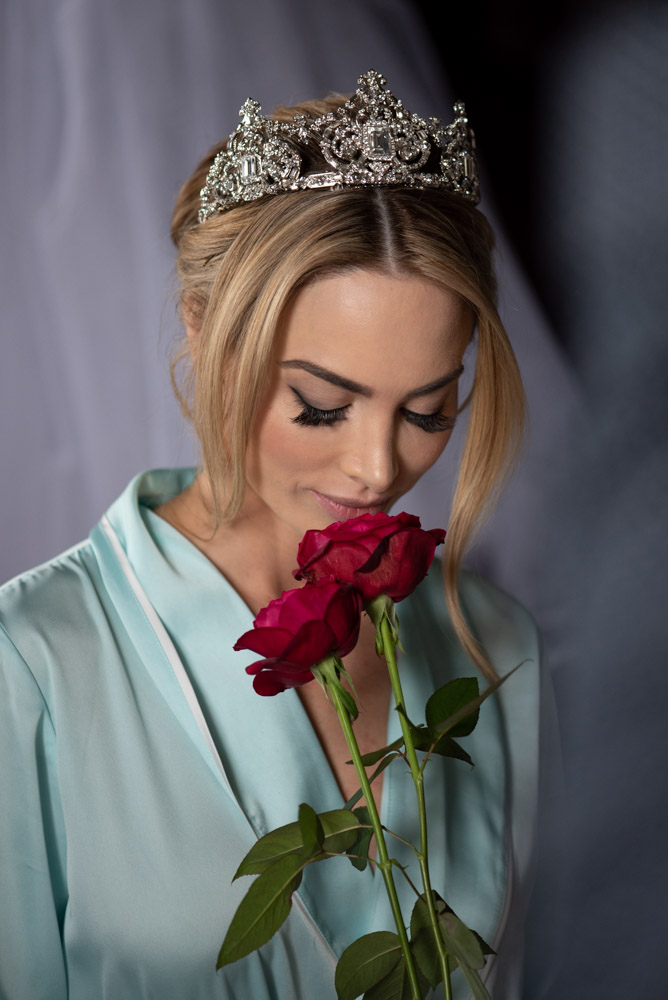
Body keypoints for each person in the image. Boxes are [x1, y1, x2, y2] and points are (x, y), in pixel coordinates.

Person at [0, 71, 544, 999]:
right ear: (204, 331)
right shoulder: (33, 662)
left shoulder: (493, 647)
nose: (379, 469)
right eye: (323, 406)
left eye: (429, 408)